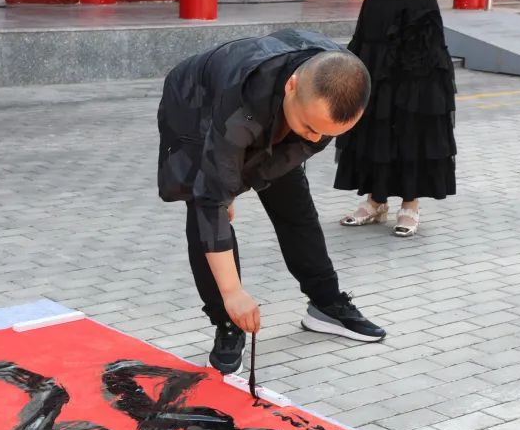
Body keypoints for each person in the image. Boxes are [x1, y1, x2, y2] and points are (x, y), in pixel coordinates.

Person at [157, 29, 387, 375]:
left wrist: (235, 185)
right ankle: (227, 320)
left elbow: (294, 146)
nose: (316, 138)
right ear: (292, 85)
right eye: (310, 127)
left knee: (294, 203)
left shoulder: (339, 79)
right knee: (206, 206)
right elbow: (210, 202)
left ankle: (326, 302)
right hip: (197, 106)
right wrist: (234, 292)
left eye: (326, 133)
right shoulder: (241, 102)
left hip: (270, 111)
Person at [333, 0, 460, 237]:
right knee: (375, 106)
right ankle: (375, 200)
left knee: (412, 108)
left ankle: (410, 203)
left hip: (417, 15)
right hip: (376, 12)